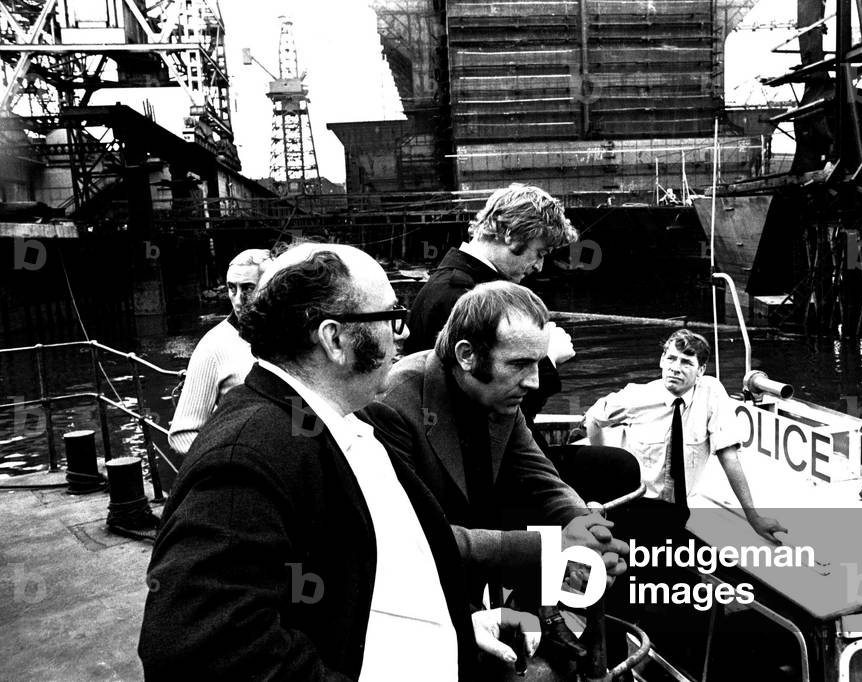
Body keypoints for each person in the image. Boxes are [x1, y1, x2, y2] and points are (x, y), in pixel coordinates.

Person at [139, 243, 538, 681]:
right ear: (334, 339)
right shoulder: (245, 456)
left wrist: (457, 629)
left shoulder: (342, 424)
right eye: (390, 316)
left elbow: (362, 575)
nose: (401, 333)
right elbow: (193, 649)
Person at [362, 281, 630, 663]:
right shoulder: (392, 404)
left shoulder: (496, 393)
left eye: (537, 362)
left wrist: (588, 528)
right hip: (411, 599)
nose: (535, 381)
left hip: (471, 579)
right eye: (520, 364)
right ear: (467, 354)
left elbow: (542, 478)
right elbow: (414, 539)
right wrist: (554, 550)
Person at [403, 182, 638, 504]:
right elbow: (491, 413)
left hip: (485, 454)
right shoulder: (459, 297)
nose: (539, 266)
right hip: (481, 471)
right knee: (620, 470)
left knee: (617, 468)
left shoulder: (452, 284)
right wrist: (548, 360)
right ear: (511, 235)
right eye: (538, 253)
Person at [585, 328, 786, 543]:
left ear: (701, 370)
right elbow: (594, 419)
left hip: (678, 510)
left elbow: (729, 457)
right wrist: (606, 475)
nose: (675, 368)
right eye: (671, 358)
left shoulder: (711, 393)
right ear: (662, 360)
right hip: (633, 505)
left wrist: (753, 517)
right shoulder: (635, 396)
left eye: (686, 363)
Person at [167, 247, 270, 456]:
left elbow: (301, 408)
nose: (239, 300)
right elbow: (182, 433)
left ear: (269, 289)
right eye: (232, 288)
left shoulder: (292, 341)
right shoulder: (213, 347)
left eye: (248, 288)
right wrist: (231, 461)